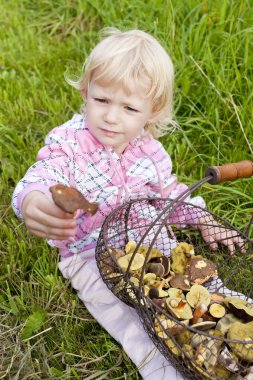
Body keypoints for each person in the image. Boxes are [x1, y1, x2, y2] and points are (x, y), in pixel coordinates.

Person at [12, 28, 245, 379]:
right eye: (102, 100)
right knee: (136, 326)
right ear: (85, 92)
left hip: (151, 238)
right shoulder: (70, 144)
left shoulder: (149, 151)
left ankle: (243, 336)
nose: (111, 117)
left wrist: (202, 218)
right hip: (89, 256)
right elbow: (44, 174)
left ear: (151, 113)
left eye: (129, 107)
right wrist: (33, 201)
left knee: (203, 288)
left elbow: (168, 194)